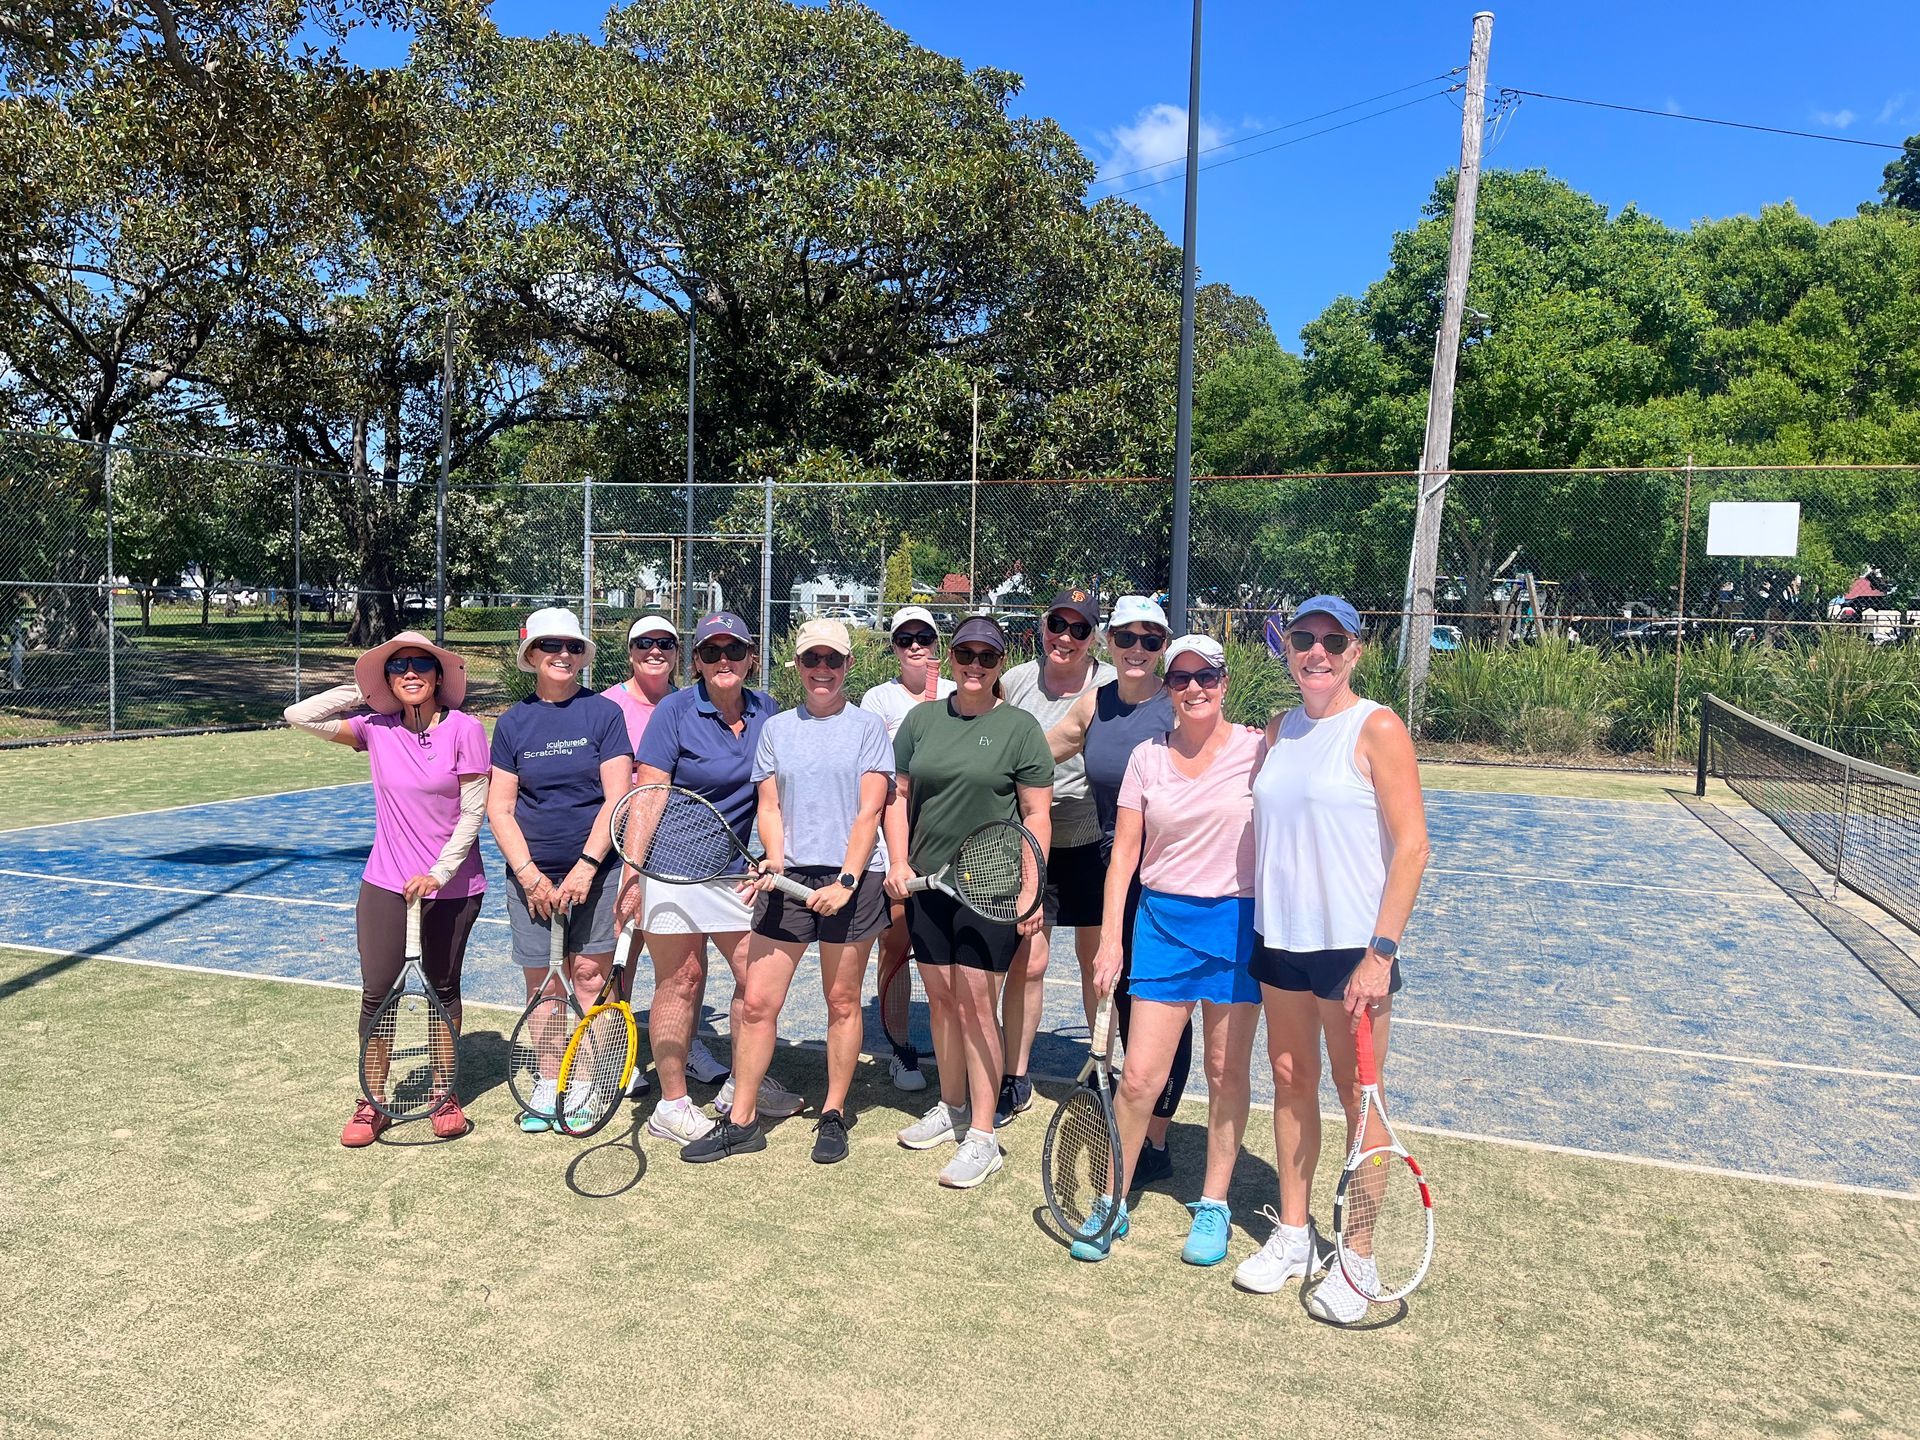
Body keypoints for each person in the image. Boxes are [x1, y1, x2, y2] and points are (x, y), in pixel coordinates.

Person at [1239, 596, 1430, 1323]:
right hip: (1280, 940)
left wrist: (1381, 953)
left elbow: (1412, 846)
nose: (1315, 652)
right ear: (1286, 649)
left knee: (1361, 1105)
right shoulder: (1279, 729)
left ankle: (1358, 1261)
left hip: (1355, 950)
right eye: (1303, 640)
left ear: (1354, 650)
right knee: (1290, 1082)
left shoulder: (1377, 726)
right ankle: (1295, 1233)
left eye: (1331, 641)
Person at [1075, 634, 1265, 1263]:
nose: (1193, 689)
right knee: (1137, 1079)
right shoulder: (1146, 759)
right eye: (1181, 678)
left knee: (1224, 1072)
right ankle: (1112, 1200)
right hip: (1159, 925)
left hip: (1237, 927)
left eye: (1206, 677)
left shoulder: (1260, 751)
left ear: (1224, 682)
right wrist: (1109, 941)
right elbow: (1123, 854)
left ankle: (1213, 1205)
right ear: (1168, 687)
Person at [684, 620, 894, 1164]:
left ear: (847, 665)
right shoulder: (777, 729)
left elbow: (871, 810)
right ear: (797, 666)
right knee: (756, 1002)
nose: (821, 670)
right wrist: (775, 863)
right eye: (811, 660)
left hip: (854, 880)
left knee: (842, 1000)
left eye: (832, 660)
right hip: (789, 880)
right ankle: (742, 1120)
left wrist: (847, 881)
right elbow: (770, 807)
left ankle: (833, 1112)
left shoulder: (869, 728)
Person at [284, 631, 488, 1146]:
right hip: (385, 883)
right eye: (398, 668)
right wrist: (364, 688)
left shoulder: (466, 729)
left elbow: (472, 814)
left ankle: (444, 1094)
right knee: (378, 994)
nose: (411, 673)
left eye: (423, 664)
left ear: (440, 675)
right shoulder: (374, 728)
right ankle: (371, 1101)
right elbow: (299, 716)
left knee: (443, 989)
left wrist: (438, 873)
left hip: (454, 884)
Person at [884, 615, 1053, 1189]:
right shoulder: (921, 720)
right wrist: (901, 864)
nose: (974, 665)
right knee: (942, 1003)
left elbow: (1036, 816)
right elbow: (899, 796)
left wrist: (1031, 889)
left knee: (978, 1004)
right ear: (949, 659)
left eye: (987, 656)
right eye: (965, 654)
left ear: (1001, 663)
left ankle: (984, 1135)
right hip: (929, 888)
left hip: (993, 890)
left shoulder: (1021, 729)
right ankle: (952, 1107)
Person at [625, 612, 803, 1146]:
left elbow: (777, 795)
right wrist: (634, 873)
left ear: (751, 657)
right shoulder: (675, 712)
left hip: (735, 873)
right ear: (697, 661)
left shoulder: (768, 710)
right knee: (681, 982)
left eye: (734, 651)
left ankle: (738, 1088)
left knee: (757, 984)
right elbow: (648, 793)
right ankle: (673, 1105)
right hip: (673, 869)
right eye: (710, 653)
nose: (723, 661)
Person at [1045, 595, 1188, 1187]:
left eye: (1150, 640)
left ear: (1163, 647)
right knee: (1127, 999)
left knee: (1166, 1006)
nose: (1137, 649)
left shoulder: (1178, 705)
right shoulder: (1094, 704)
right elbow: (1032, 755)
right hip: (1117, 873)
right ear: (1108, 643)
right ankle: (1137, 1114)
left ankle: (1154, 1137)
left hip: (1174, 880)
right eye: (1126, 638)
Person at [486, 607, 633, 1134]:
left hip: (597, 872)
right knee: (543, 989)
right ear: (532, 655)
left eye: (572, 647)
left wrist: (587, 869)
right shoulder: (513, 722)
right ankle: (551, 1079)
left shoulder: (603, 714)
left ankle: (590, 1080)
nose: (563, 655)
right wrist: (528, 876)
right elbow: (499, 808)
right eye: (552, 646)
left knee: (590, 979)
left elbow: (617, 798)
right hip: (531, 877)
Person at [997, 586, 1114, 1126]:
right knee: (1029, 960)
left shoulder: (1110, 684)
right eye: (1056, 625)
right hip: (1029, 841)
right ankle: (1014, 1076)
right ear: (1042, 627)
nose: (1064, 637)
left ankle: (1100, 1072)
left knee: (1098, 967)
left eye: (1078, 629)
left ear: (1093, 638)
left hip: (1091, 839)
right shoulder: (1017, 680)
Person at [599, 614, 727, 1093]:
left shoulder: (691, 704)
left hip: (684, 854)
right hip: (622, 850)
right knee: (622, 953)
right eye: (644, 643)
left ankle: (687, 1043)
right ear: (629, 651)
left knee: (690, 961)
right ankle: (619, 1054)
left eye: (666, 643)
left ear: (680, 653)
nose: (655, 650)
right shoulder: (609, 705)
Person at [859, 604, 954, 1094]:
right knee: (896, 943)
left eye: (923, 637)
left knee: (953, 949)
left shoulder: (961, 692)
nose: (915, 645)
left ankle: (956, 1042)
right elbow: (884, 776)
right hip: (896, 841)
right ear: (894, 647)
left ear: (937, 642)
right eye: (904, 639)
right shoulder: (879, 699)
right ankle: (899, 1049)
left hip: (951, 843)